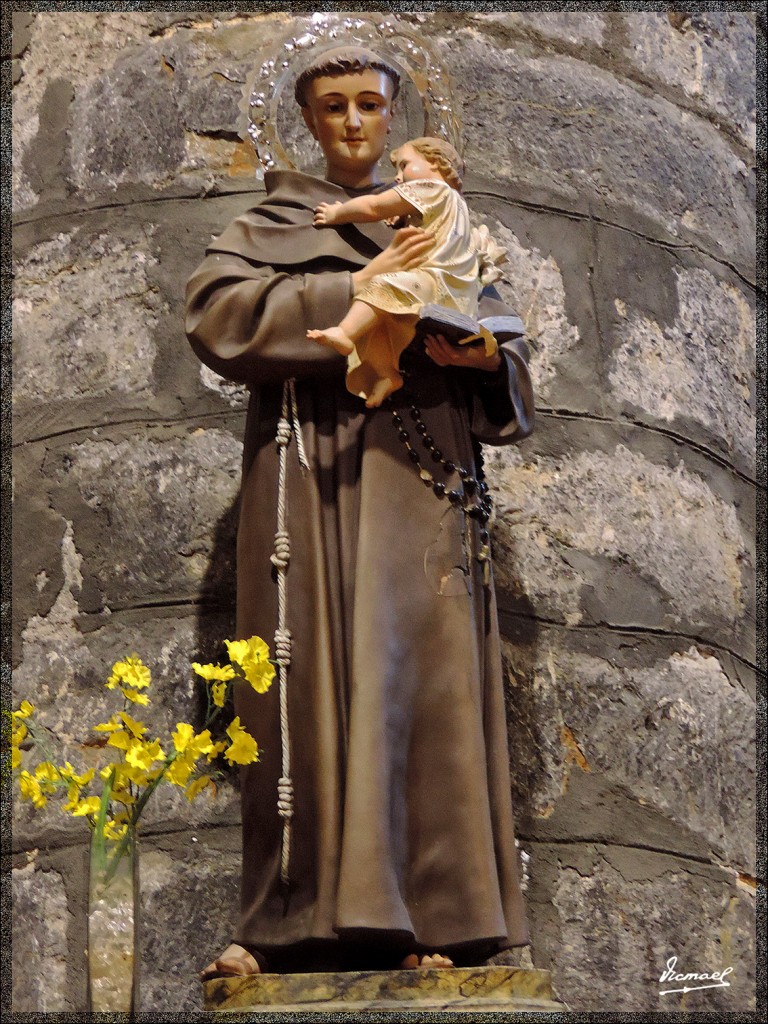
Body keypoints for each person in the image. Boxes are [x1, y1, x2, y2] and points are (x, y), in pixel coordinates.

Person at [185, 45, 535, 981]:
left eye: (370, 106)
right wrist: (376, 294)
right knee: (308, 687)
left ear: (393, 117)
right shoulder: (272, 222)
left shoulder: (440, 219)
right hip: (319, 483)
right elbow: (219, 318)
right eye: (332, 106)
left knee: (433, 690)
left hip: (424, 483)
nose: (351, 123)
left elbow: (510, 362)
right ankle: (289, 919)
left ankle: (444, 915)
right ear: (306, 120)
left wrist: (481, 358)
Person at [308, 136, 486, 408]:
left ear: (436, 164)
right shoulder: (456, 204)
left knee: (381, 286)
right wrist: (404, 214)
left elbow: (374, 207)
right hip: (459, 297)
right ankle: (386, 375)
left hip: (433, 281)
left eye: (405, 166)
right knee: (381, 319)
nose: (399, 177)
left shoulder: (432, 189)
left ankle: (344, 332)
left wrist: (338, 212)